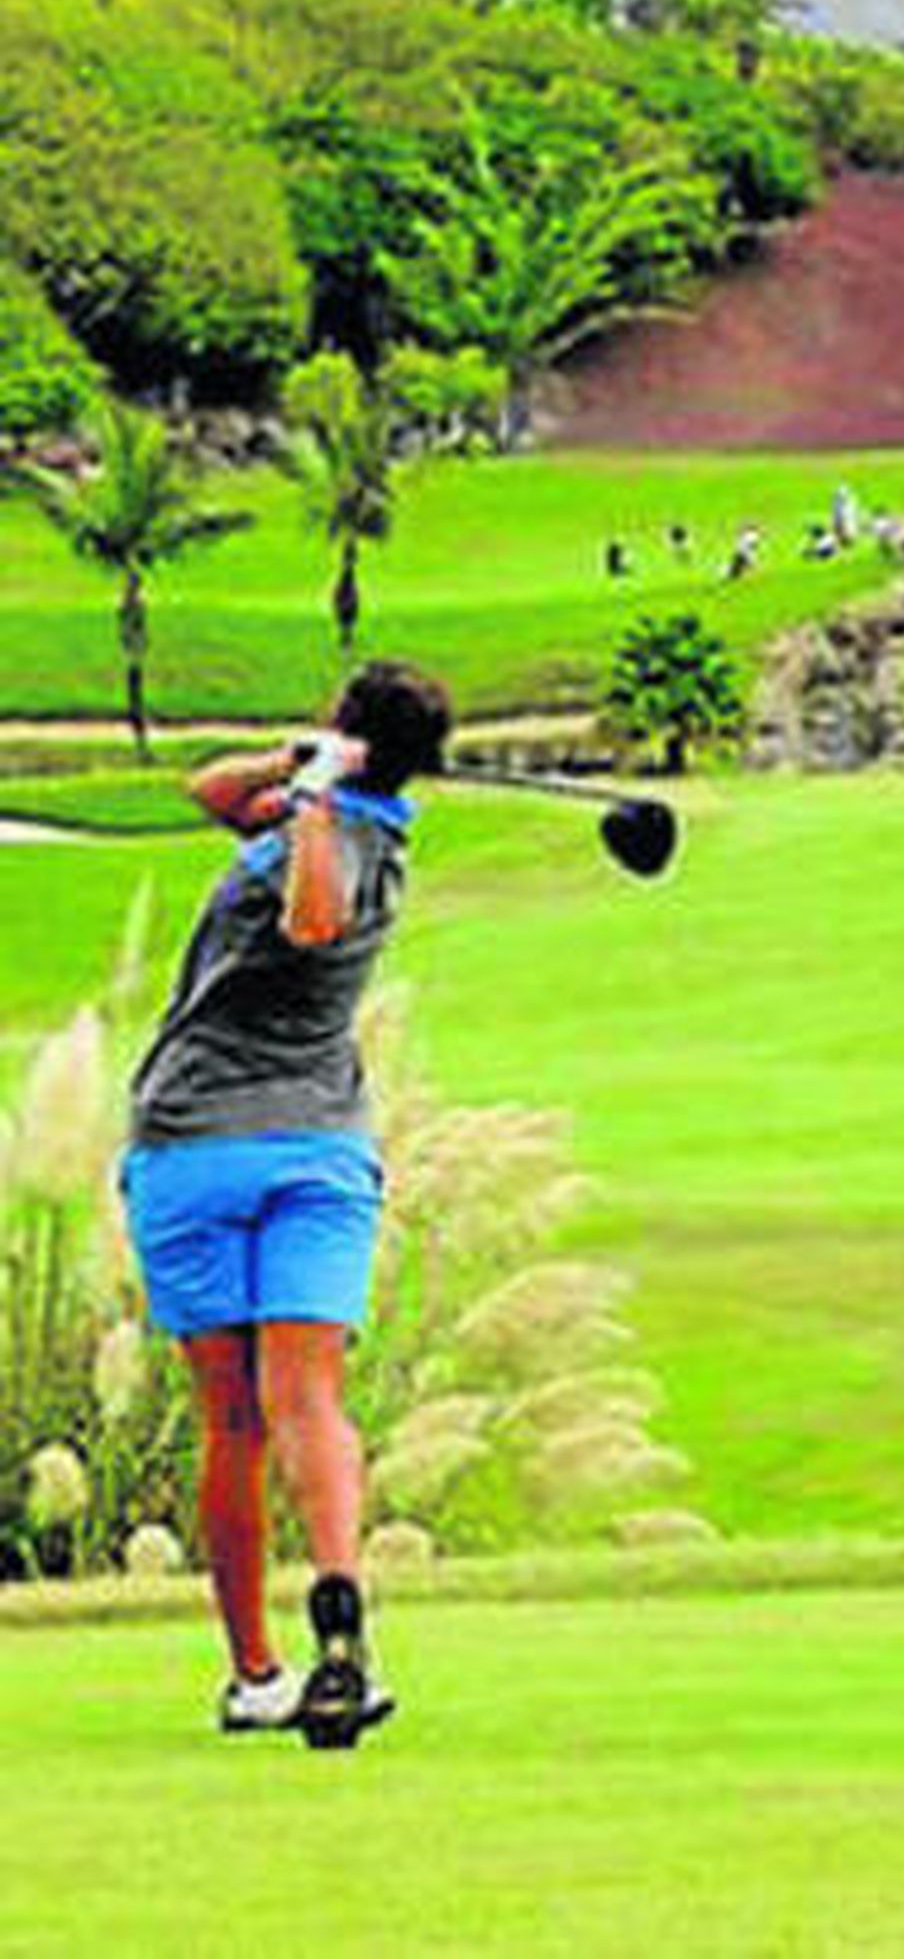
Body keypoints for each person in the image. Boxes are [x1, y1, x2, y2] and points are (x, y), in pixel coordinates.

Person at [119, 658, 452, 1745]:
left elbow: (312, 919)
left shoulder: (344, 841)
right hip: (296, 1151)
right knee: (294, 1402)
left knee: (247, 1414)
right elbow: (209, 793)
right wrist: (292, 762)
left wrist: (311, 792)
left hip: (214, 1147)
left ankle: (291, 1649)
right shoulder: (355, 813)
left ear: (348, 730)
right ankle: (293, 1645)